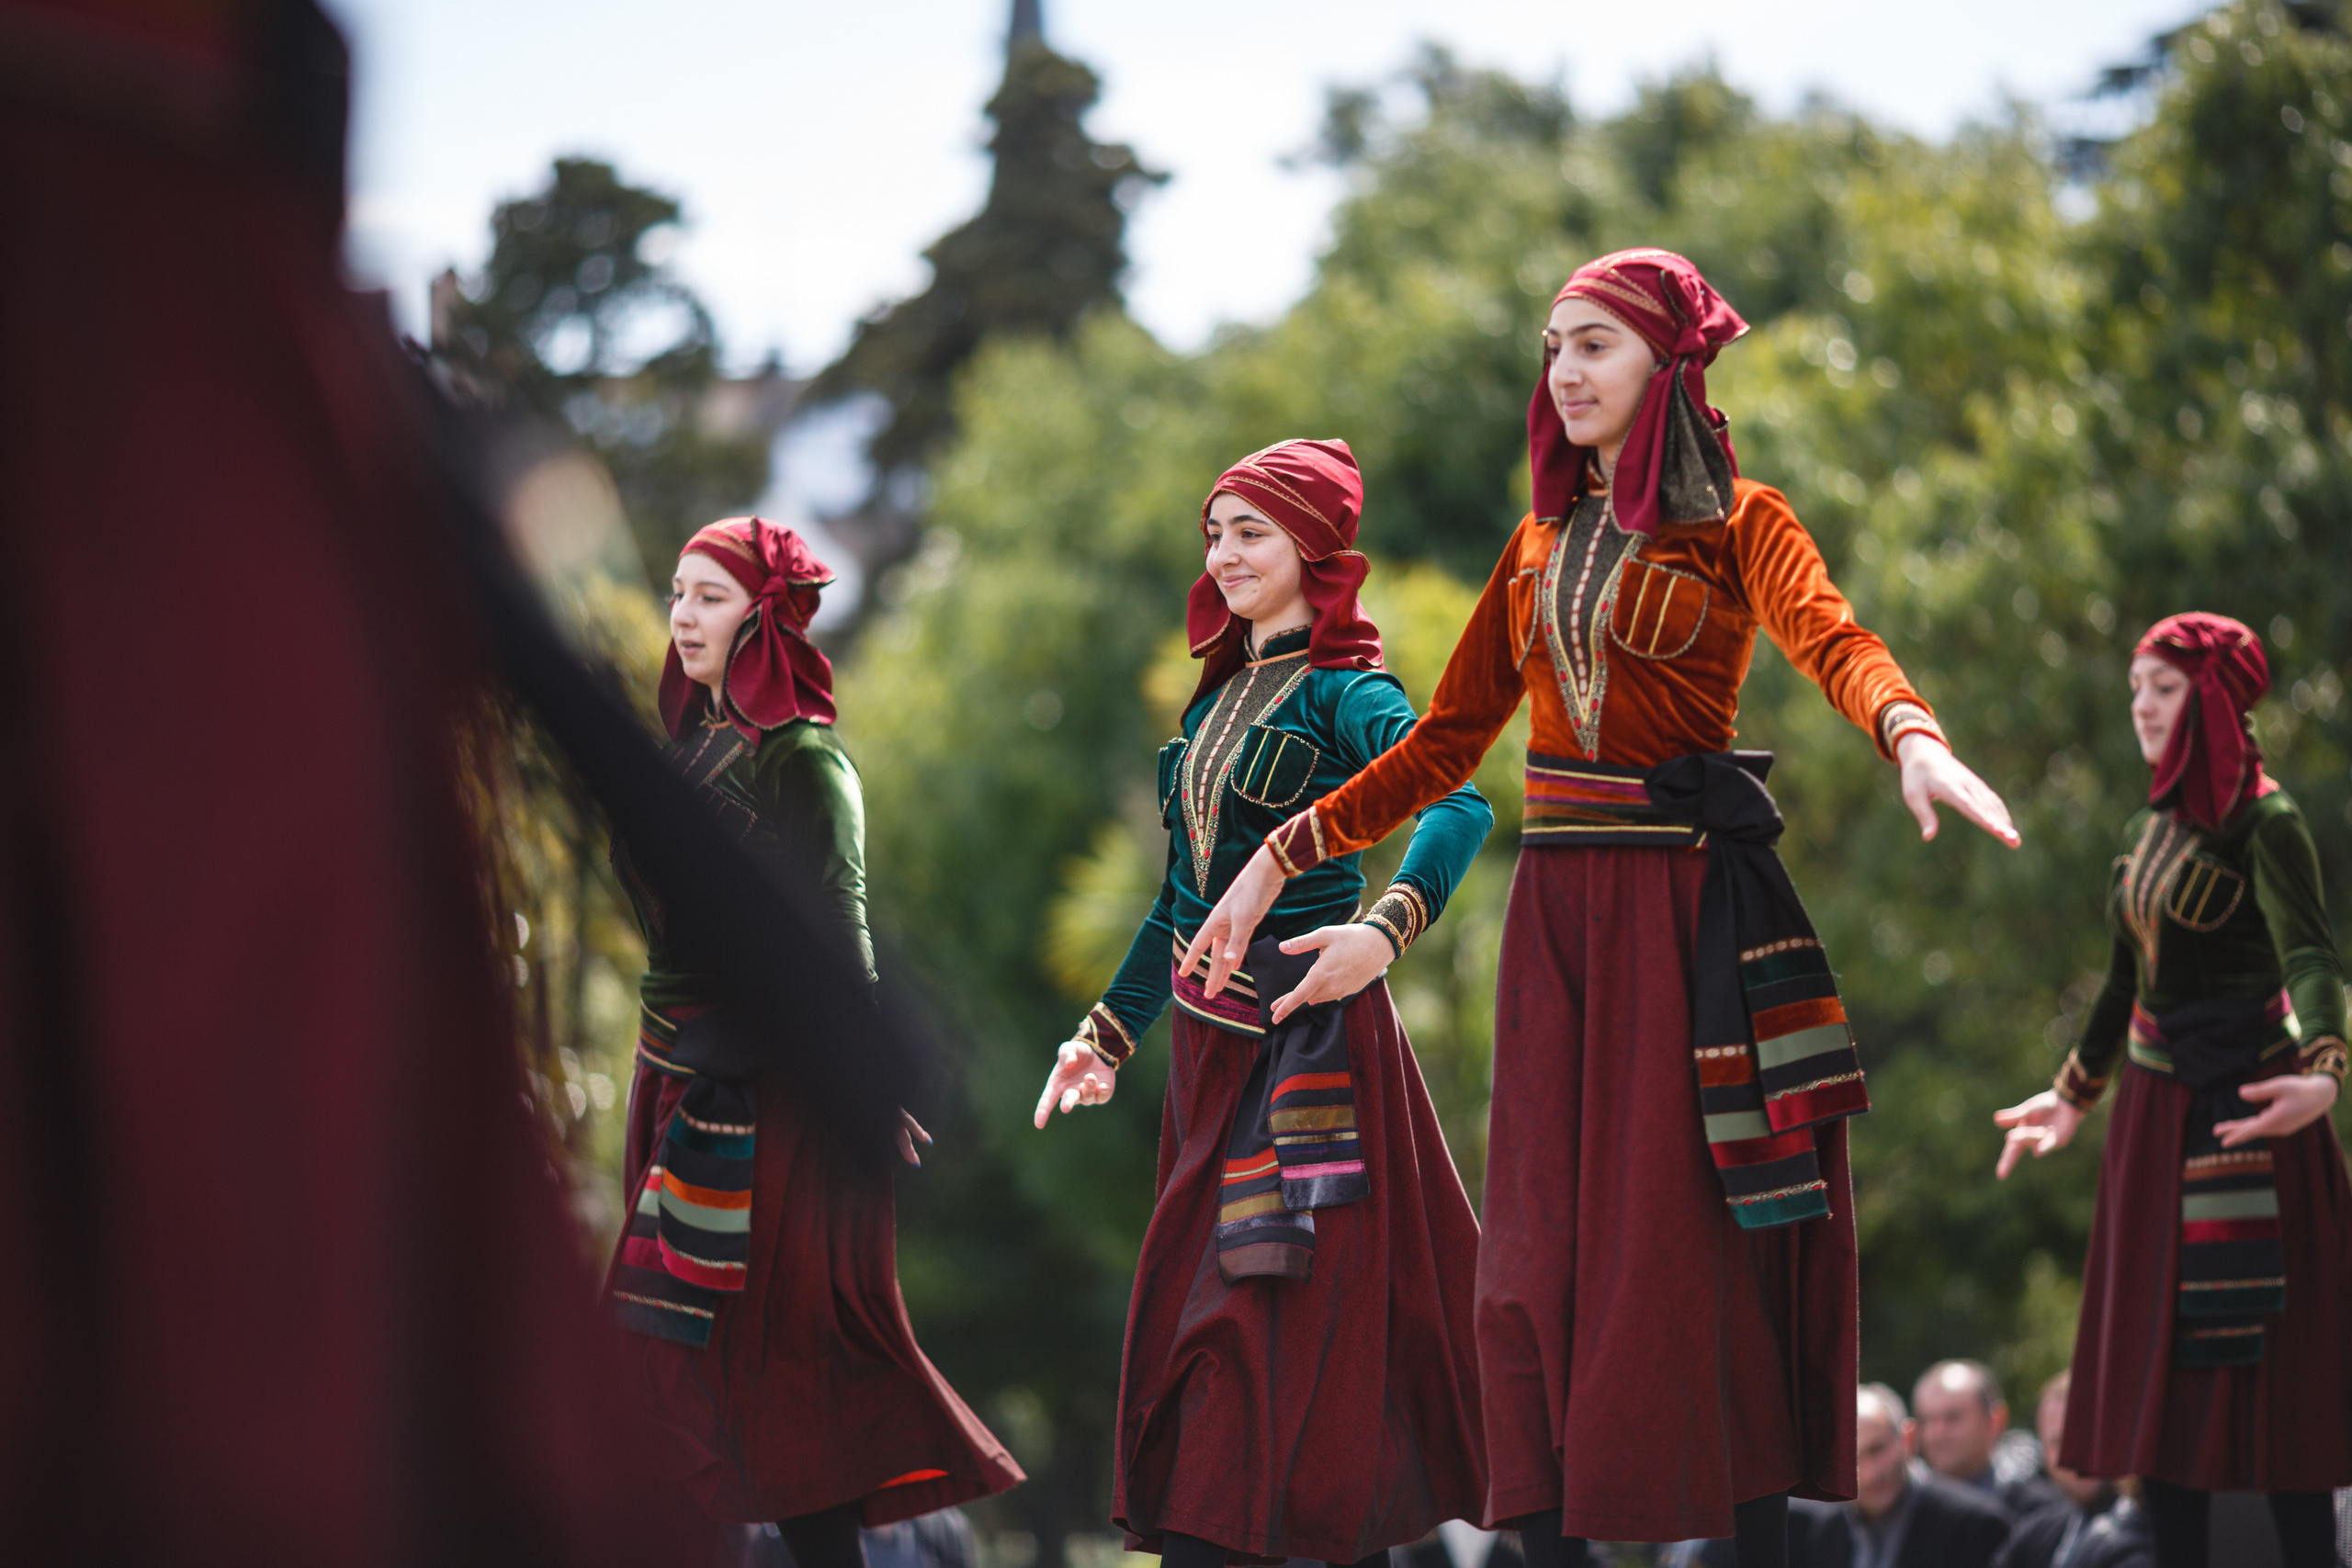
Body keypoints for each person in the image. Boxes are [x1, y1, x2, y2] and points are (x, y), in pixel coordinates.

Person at [1180, 250, 2018, 1560]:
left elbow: (1833, 636)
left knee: (1686, 1256)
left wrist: (1909, 732)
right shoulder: (1535, 544)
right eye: (1553, 345)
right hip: (1556, 925)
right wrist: (1282, 853)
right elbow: (1444, 745)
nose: (1564, 371)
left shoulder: (1742, 522)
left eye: (1595, 345)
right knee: (1529, 1264)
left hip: (1685, 921)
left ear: (1667, 366)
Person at [1034, 440, 1495, 1568]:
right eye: (1214, 533)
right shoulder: (1214, 706)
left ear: (1313, 550)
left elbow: (1460, 806)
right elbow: (1178, 903)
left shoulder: (1350, 694)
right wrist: (1104, 1035)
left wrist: (1384, 931)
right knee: (1221, 1356)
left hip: (1310, 1055)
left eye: (1251, 532)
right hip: (1206, 1063)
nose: (1224, 553)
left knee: (1279, 1350)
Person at [605, 517, 1023, 1563]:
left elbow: (842, 923)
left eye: (708, 596)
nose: (683, 616)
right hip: (668, 1082)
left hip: (777, 1105)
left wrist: (865, 1083)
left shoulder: (805, 760)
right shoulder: (684, 753)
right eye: (676, 594)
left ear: (763, 613)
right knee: (673, 1375)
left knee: (789, 1390)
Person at [1993, 614, 2352, 1568]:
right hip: (2151, 1123)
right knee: (2163, 1405)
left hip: (2251, 1116)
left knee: (2277, 1408)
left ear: (2212, 696)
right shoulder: (2144, 825)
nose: (2140, 709)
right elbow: (2123, 981)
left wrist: (2323, 1072)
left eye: (2159, 688)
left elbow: (2311, 955)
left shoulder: (2265, 822)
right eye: (2133, 692)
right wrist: (2071, 1095)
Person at [1786, 1387, 2013, 1568]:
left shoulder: (1975, 1525)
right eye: (1850, 1461)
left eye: (1877, 1450)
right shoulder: (1825, 1531)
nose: (1870, 1473)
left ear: (1907, 1439)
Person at [1995, 1374, 2124, 1568]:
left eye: (2087, 1437)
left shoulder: (2150, 1534)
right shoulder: (2035, 1534)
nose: (2075, 1454)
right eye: (2059, 1443)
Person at [1915, 1361, 2062, 1517]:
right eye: (1926, 1421)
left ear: (1996, 1421)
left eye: (1953, 1418)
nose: (1937, 1433)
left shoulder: (2037, 1509)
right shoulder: (1907, 1511)